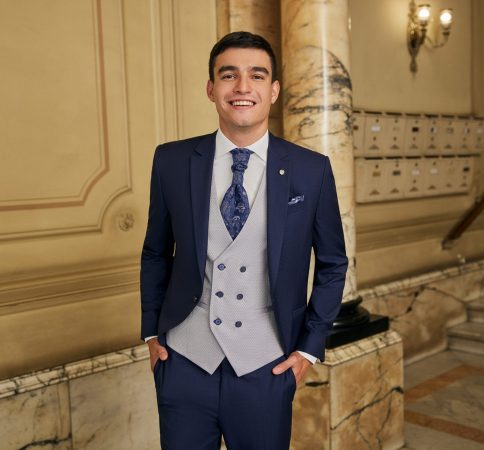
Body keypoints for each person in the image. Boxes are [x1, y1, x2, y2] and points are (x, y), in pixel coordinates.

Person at [140, 31, 348, 450]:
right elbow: (155, 252)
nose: (242, 87)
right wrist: (151, 333)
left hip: (266, 367)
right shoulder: (172, 160)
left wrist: (308, 349)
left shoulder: (312, 170)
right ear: (211, 88)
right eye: (228, 75)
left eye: (256, 75)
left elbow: (333, 264)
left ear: (273, 91)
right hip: (184, 363)